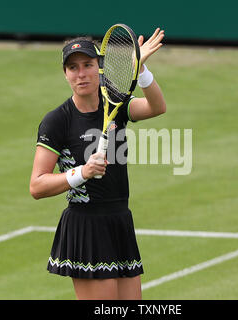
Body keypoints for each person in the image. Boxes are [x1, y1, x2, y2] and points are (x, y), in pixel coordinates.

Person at [30, 28, 166, 300]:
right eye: (73, 68)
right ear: (66, 74)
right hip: (87, 227)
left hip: (119, 220)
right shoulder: (57, 121)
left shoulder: (115, 101)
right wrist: (82, 173)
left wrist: (141, 71)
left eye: (88, 65)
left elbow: (156, 107)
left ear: (100, 68)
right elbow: (37, 185)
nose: (81, 74)